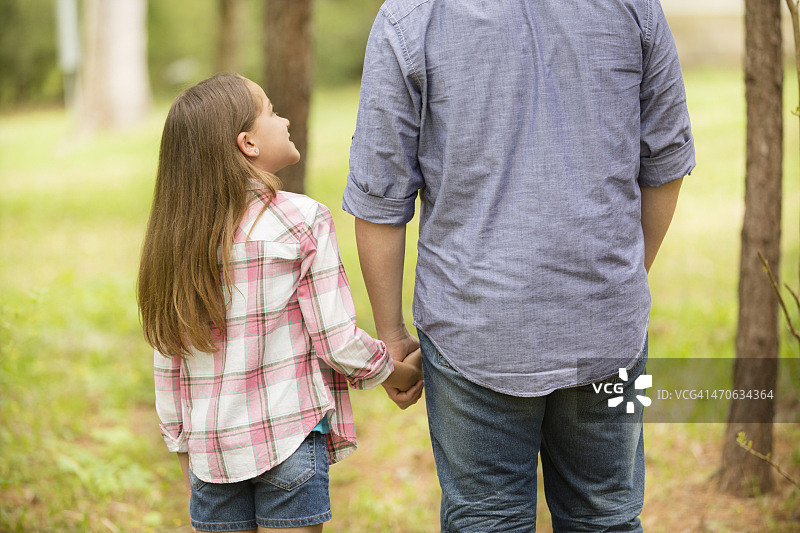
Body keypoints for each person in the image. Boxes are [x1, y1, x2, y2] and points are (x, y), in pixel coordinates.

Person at [344, 1, 695, 531]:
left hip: (473, 326)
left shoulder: (412, 16)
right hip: (605, 324)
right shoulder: (634, 7)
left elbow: (379, 194)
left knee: (486, 520)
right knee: (605, 517)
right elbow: (665, 161)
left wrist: (391, 337)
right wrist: (619, 277)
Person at [137, 74, 423, 533]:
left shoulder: (176, 241)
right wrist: (397, 370)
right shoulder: (301, 220)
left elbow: (168, 351)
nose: (286, 118)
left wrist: (180, 440)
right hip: (289, 438)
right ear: (247, 143)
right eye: (271, 110)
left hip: (212, 456)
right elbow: (336, 341)